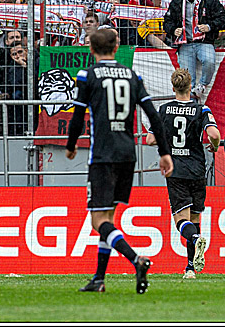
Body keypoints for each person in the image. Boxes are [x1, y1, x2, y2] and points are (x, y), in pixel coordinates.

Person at [65, 28, 173, 294]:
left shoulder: (87, 75)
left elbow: (78, 115)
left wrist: (70, 145)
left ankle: (136, 259)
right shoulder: (132, 76)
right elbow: (153, 116)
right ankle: (99, 279)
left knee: (97, 221)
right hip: (127, 154)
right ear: (116, 48)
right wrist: (164, 152)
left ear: (91, 49)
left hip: (102, 155)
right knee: (109, 216)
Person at [146, 68, 220, 279]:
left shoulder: (164, 109)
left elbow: (150, 139)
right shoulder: (201, 109)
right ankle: (190, 268)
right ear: (191, 87)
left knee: (181, 221)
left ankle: (196, 240)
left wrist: (165, 141)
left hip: (175, 168)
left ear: (173, 88)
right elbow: (214, 134)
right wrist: (213, 146)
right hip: (197, 168)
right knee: (195, 217)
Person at [162, 0, 225, 102]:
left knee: (209, 61)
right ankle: (191, 109)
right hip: (185, 44)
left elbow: (224, 19)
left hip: (205, 42)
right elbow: (166, 23)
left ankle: (203, 85)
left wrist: (209, 27)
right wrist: (173, 30)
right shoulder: (177, 1)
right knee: (187, 80)